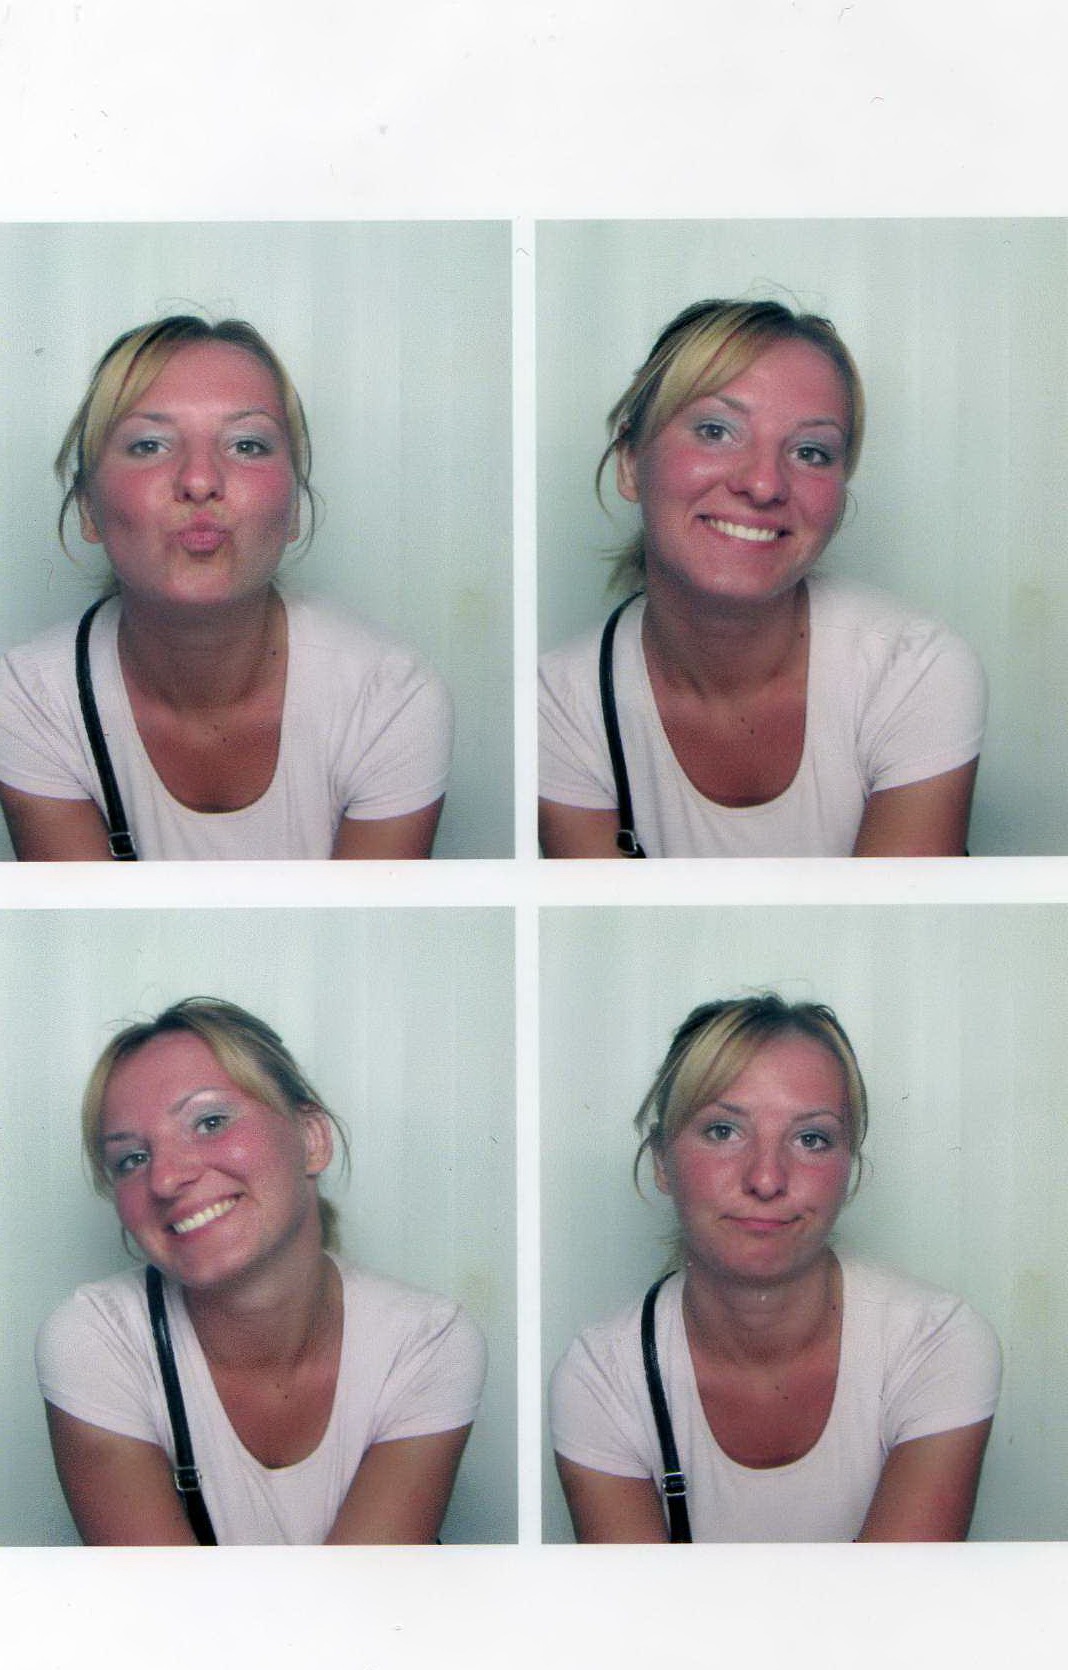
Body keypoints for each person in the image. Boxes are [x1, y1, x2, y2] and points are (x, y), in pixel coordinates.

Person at [539, 300, 986, 857]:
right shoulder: (558, 704)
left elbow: (894, 917)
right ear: (631, 461)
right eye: (715, 430)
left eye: (810, 452)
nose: (764, 484)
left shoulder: (912, 668)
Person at [549, 994, 1000, 1541]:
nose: (766, 1179)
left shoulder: (935, 1342)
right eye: (723, 1131)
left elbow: (897, 1597)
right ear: (662, 1160)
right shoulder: (603, 1375)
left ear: (849, 1170)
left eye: (811, 1139)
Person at [0, 316, 452, 860]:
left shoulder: (387, 697)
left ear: (294, 509)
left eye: (247, 444)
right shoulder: (32, 697)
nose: (199, 481)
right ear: (88, 508)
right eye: (149, 445)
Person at [36, 998, 486, 1544]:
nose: (166, 1179)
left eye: (210, 1122)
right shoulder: (95, 1338)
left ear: (312, 1139)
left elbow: (361, 1596)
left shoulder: (427, 1339)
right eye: (132, 1158)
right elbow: (158, 1601)